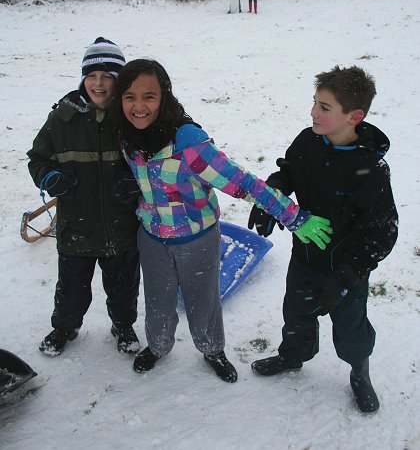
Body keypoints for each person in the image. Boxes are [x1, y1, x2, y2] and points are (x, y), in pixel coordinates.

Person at [111, 58, 333, 383]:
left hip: (196, 240)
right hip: (152, 238)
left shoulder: (189, 145)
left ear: (164, 96)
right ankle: (158, 346)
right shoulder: (125, 136)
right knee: (158, 301)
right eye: (130, 96)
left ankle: (212, 349)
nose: (138, 106)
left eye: (149, 96)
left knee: (203, 303)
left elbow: (243, 183)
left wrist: (294, 216)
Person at [248, 66, 398, 412]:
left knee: (351, 329)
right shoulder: (307, 142)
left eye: (325, 107)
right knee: (296, 314)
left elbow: (383, 231)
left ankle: (359, 371)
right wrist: (272, 198)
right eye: (314, 103)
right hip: (304, 258)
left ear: (354, 116)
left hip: (345, 270)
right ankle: (293, 356)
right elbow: (288, 173)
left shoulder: (370, 169)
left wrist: (346, 277)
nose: (314, 112)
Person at [27, 37, 141, 356]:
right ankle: (65, 327)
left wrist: (135, 181)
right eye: (92, 76)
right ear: (83, 78)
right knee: (72, 288)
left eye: (108, 76)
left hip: (122, 224)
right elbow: (38, 157)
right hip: (77, 223)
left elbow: (156, 161)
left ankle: (123, 325)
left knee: (123, 286)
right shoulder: (63, 118)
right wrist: (49, 176)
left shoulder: (133, 116)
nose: (99, 84)